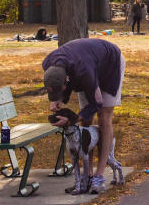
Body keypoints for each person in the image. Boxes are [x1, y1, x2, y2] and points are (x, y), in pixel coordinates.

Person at [44, 38, 125, 194]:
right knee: (86, 121)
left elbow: (97, 103)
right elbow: (57, 87)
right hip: (86, 64)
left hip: (109, 65)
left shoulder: (83, 71)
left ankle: (99, 175)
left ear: (67, 80)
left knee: (103, 118)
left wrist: (73, 119)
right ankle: (87, 175)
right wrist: (57, 99)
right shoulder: (49, 65)